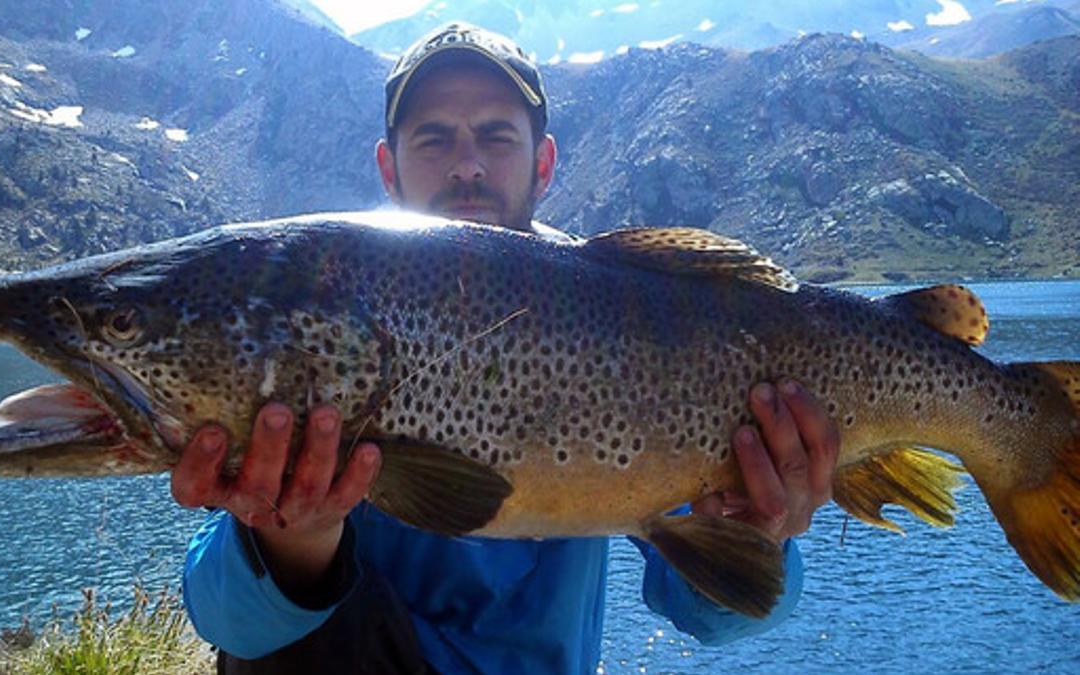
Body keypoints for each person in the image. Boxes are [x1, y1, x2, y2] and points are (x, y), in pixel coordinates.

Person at [173, 22, 840, 674]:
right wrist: (294, 543)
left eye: (496, 135)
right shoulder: (325, 304)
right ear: (388, 167)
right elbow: (230, 623)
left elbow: (719, 614)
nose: (468, 165)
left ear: (543, 161)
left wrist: (766, 530)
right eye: (434, 139)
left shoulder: (617, 312)